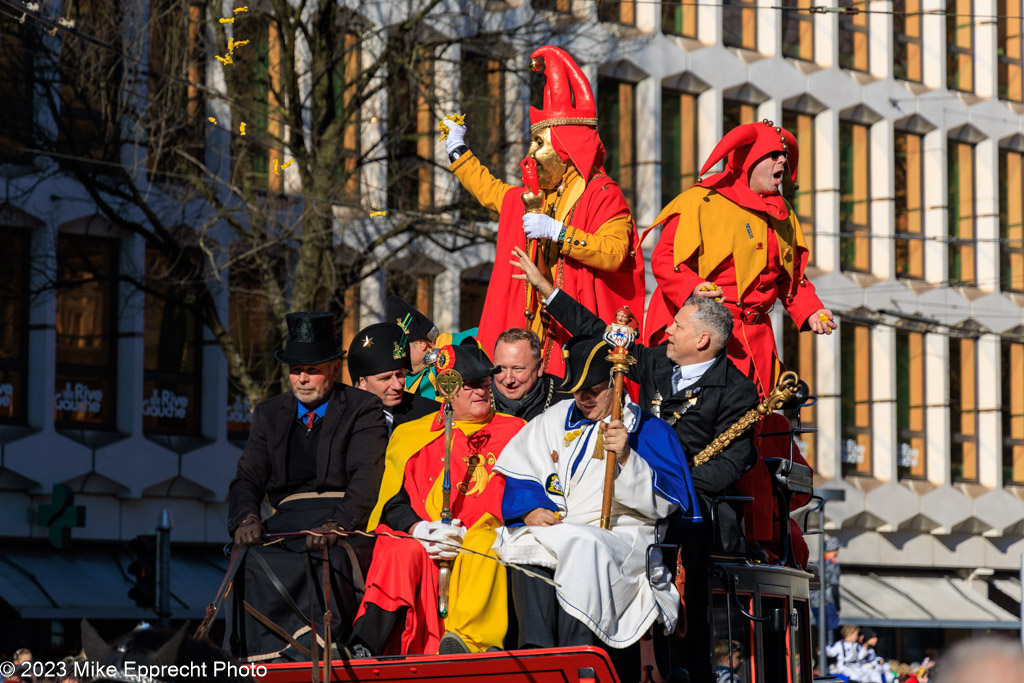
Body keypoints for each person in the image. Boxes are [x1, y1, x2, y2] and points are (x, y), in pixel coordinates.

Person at [510, 247, 759, 680]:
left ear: (702, 340)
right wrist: (548, 292)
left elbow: (731, 463)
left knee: (689, 586)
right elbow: (601, 336)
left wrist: (670, 484)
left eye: (678, 326)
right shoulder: (659, 361)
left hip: (688, 501)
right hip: (628, 479)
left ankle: (683, 668)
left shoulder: (737, 391)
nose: (668, 331)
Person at [443, 44, 645, 377]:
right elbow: (494, 193)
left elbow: (613, 253)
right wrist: (458, 154)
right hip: (535, 332)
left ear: (566, 151)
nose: (532, 154)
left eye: (540, 144)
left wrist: (558, 232)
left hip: (576, 335)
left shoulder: (604, 194)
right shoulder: (540, 193)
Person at [493, 335, 700, 650]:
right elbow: (523, 472)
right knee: (525, 540)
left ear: (616, 387)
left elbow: (668, 503)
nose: (584, 400)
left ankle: (576, 651)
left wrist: (629, 459)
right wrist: (531, 509)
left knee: (582, 544)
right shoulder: (553, 419)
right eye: (578, 392)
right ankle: (535, 648)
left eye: (593, 392)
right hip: (563, 526)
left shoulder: (650, 430)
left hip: (624, 536)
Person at [225, 311, 388, 661]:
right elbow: (247, 477)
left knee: (322, 559)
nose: (302, 379)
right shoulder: (269, 413)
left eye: (311, 370)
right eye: (295, 370)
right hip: (284, 521)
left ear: (333, 368)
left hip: (342, 521)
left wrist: (338, 524)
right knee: (247, 559)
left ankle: (318, 647)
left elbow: (367, 477)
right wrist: (245, 520)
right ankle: (256, 656)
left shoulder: (363, 408)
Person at [348, 344, 525, 656]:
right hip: (427, 539)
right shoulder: (411, 434)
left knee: (484, 545)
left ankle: (465, 643)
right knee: (397, 547)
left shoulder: (516, 430)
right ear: (448, 389)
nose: (482, 391)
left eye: (485, 383)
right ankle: (365, 643)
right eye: (471, 385)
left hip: (485, 536)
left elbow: (527, 491)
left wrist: (490, 528)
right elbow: (392, 500)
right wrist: (419, 529)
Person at [644, 120, 836, 400]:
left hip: (756, 344)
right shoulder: (701, 202)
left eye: (783, 155)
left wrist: (812, 311)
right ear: (748, 161)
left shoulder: (783, 215)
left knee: (755, 426)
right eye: (773, 155)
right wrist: (692, 287)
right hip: (706, 336)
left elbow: (790, 279)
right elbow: (665, 260)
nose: (782, 159)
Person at [348, 322, 437, 434]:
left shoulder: (430, 414)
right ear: (362, 382)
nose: (397, 385)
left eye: (400, 374)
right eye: (385, 378)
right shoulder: (345, 420)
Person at [490, 328, 572, 420]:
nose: (509, 380)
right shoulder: (479, 398)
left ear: (540, 366)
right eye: (501, 369)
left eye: (517, 369)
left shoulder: (567, 402)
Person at [385, 294, 442, 399]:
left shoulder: (464, 344)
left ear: (422, 344)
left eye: (404, 350)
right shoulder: (403, 380)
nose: (401, 358)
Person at [811, 536, 842, 644]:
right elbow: (834, 586)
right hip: (828, 602)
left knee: (820, 632)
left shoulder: (817, 564)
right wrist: (838, 606)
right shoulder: (833, 565)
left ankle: (820, 655)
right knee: (830, 633)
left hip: (814, 602)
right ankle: (828, 659)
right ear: (835, 549)